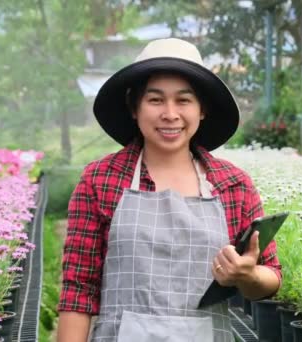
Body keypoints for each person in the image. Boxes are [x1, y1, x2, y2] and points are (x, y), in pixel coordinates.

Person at [57, 38, 282, 342]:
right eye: (156, 100)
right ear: (133, 107)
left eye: (184, 100)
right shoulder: (100, 180)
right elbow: (78, 290)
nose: (170, 114)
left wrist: (247, 275)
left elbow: (270, 277)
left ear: (202, 110)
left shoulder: (233, 184)